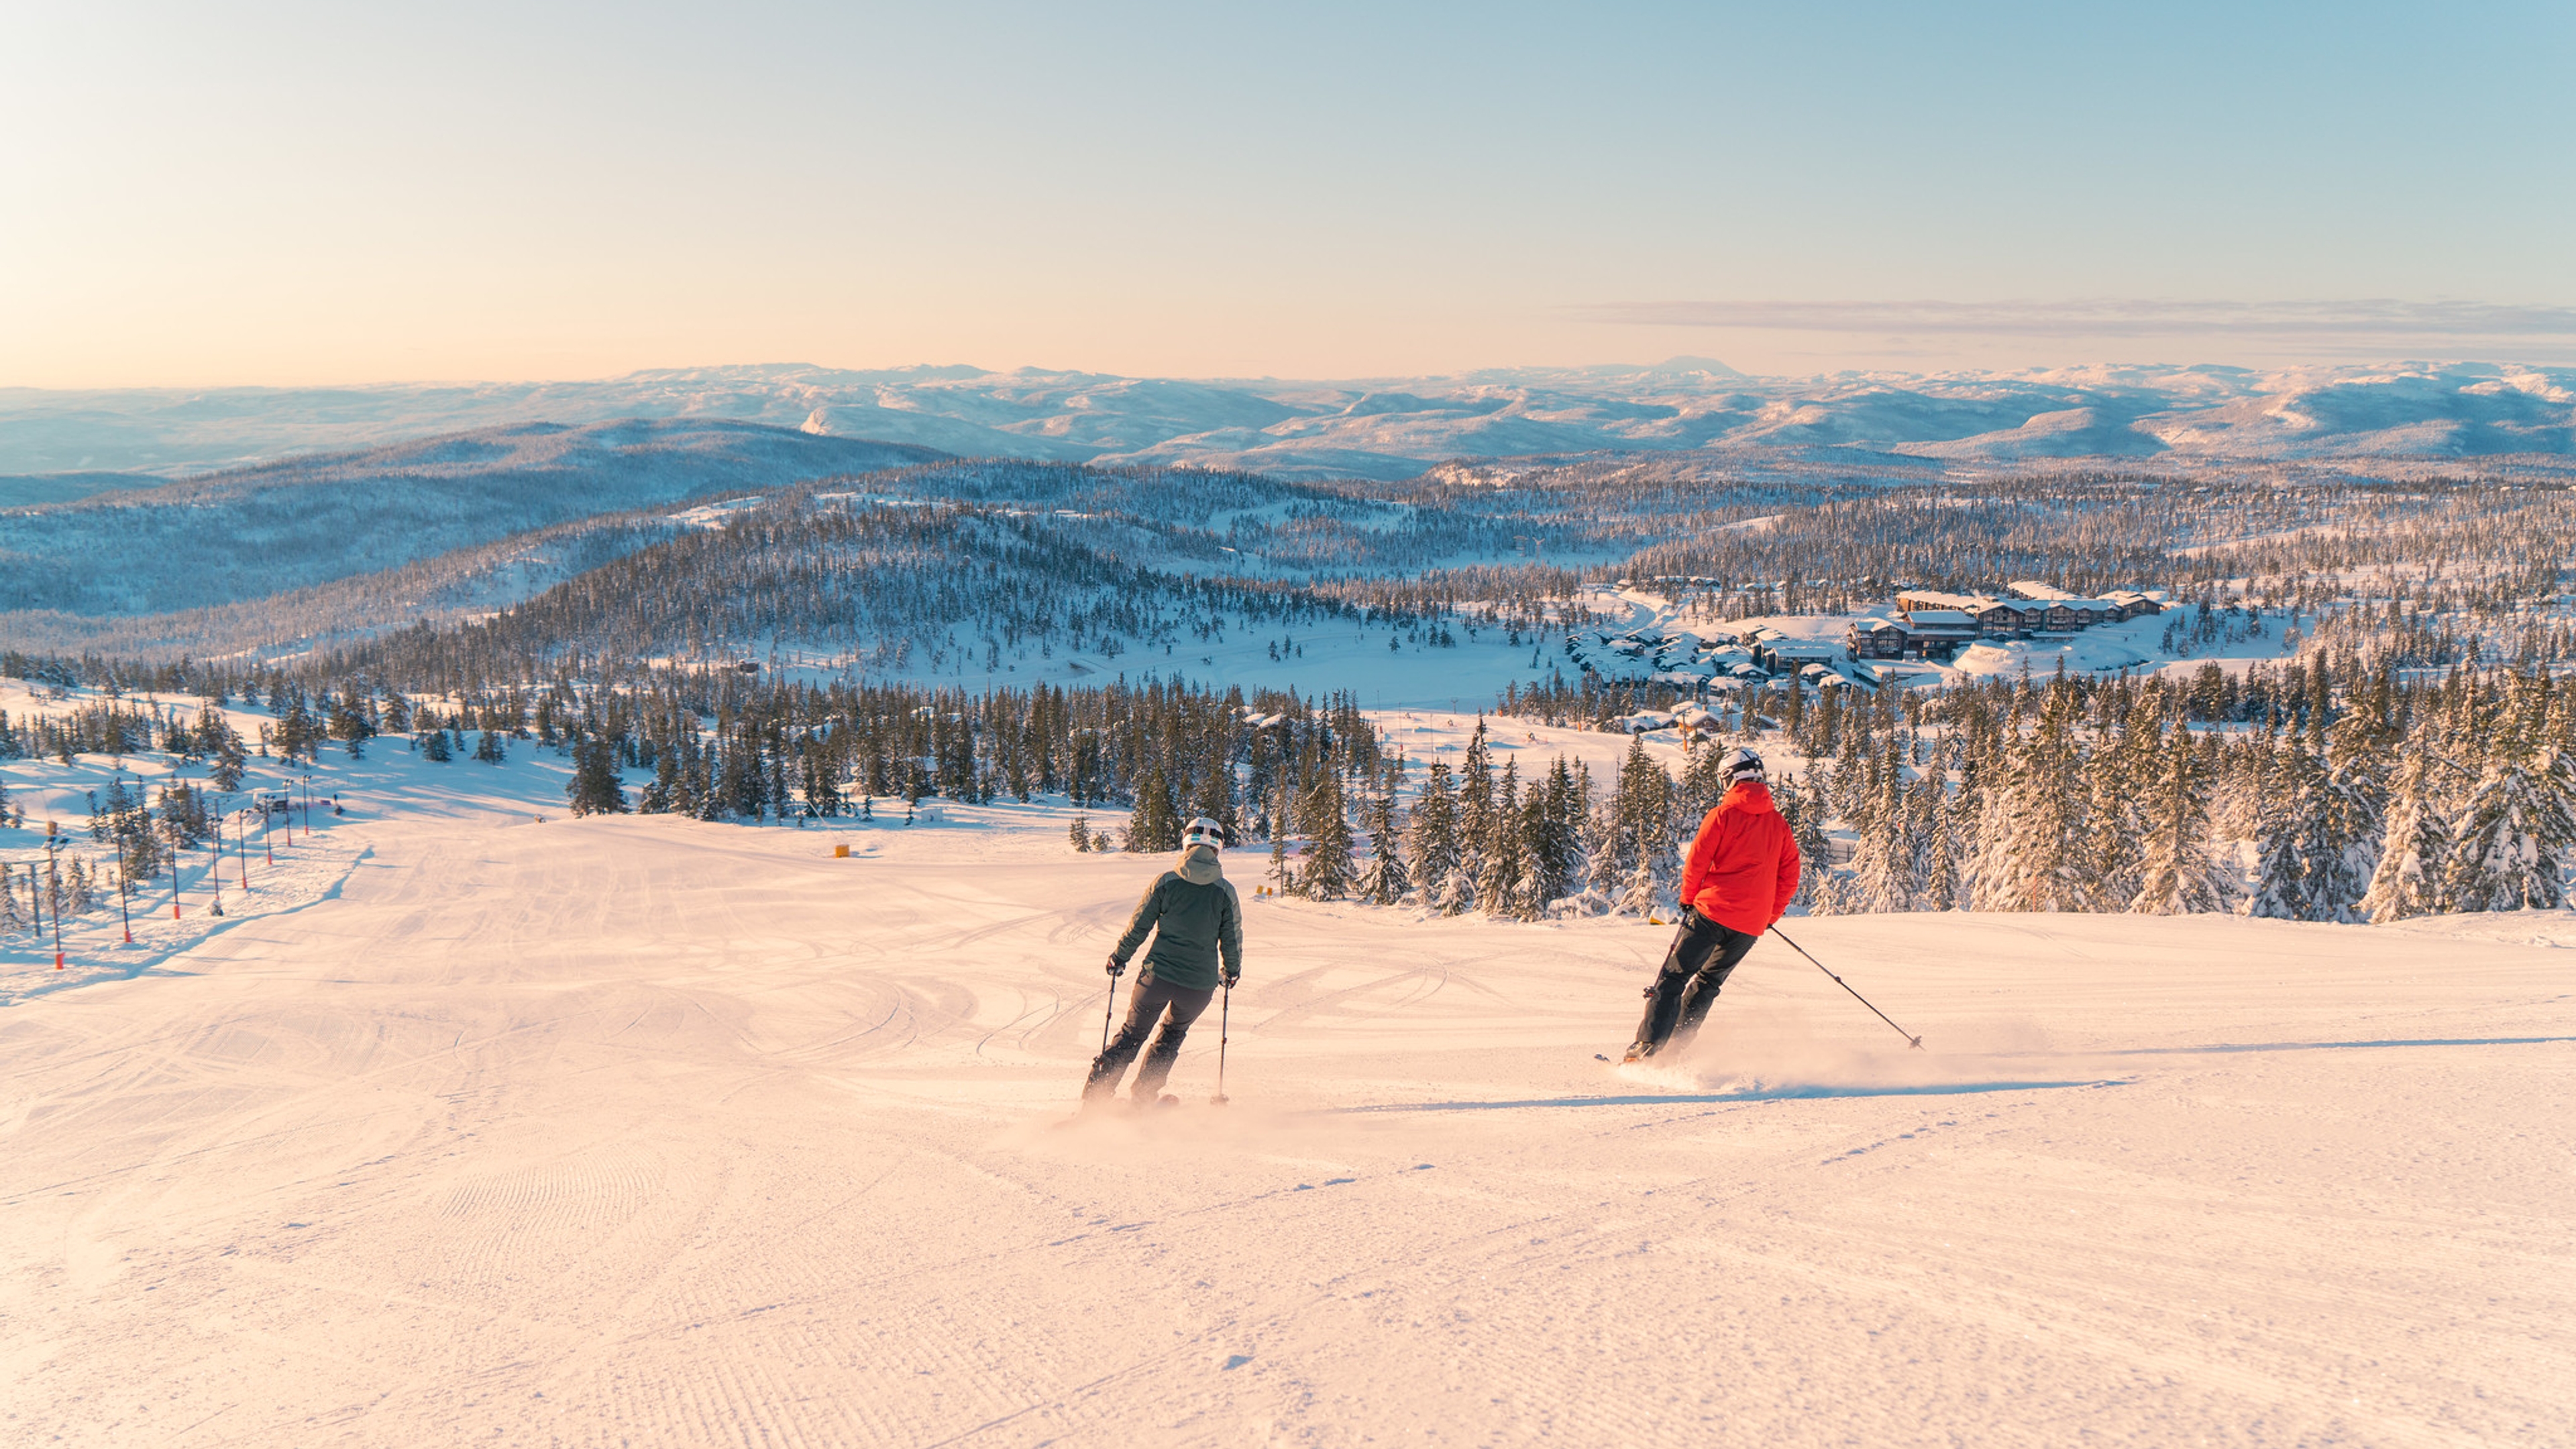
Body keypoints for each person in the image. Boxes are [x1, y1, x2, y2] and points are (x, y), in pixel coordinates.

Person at [1623, 746, 1799, 1063]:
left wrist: (1688, 899)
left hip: (1711, 913)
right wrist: (1768, 915)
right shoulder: (1779, 824)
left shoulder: (1722, 816)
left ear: (1730, 779)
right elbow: (1790, 875)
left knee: (1674, 977)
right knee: (1708, 984)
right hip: (1749, 925)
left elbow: (1697, 861)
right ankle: (1675, 1049)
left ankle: (1648, 1047)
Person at [1085, 816, 1243, 1106]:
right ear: (1218, 847)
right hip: (1198, 986)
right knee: (1172, 1035)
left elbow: (1139, 926)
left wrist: (1119, 957)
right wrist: (1232, 971)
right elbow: (1231, 939)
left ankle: (1096, 1098)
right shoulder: (1225, 892)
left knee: (1133, 1034)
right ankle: (1144, 1098)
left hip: (1155, 979)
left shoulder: (1166, 882)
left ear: (1186, 842)